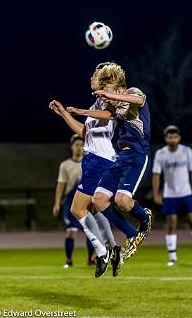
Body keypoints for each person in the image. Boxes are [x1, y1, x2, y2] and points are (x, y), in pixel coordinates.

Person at [49, 62, 143, 278]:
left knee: (76, 209)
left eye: (95, 74)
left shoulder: (107, 100)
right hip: (95, 159)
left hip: (100, 160)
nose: (91, 77)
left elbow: (110, 115)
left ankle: (102, 252)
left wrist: (81, 110)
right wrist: (64, 113)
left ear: (103, 79)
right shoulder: (97, 103)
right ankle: (113, 248)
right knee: (92, 208)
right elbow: (84, 131)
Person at [80, 73, 153, 260]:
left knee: (122, 201)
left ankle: (145, 218)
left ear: (118, 88)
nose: (105, 93)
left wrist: (112, 96)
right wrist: (81, 111)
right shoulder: (116, 107)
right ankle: (132, 235)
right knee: (99, 200)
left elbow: (138, 100)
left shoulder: (131, 93)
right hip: (120, 157)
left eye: (108, 89)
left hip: (138, 155)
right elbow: (105, 115)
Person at [152, 125, 192, 266]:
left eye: (175, 137)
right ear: (166, 138)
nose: (172, 139)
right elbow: (156, 175)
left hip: (186, 193)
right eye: (169, 137)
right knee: (171, 224)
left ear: (179, 137)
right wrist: (156, 194)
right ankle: (172, 258)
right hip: (170, 195)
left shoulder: (186, 151)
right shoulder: (161, 154)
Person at [53, 133, 95, 268]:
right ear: (71, 147)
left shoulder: (90, 163)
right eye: (76, 145)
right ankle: (69, 259)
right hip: (71, 201)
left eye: (82, 145)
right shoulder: (65, 165)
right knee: (71, 231)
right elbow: (61, 184)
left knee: (90, 231)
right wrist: (56, 203)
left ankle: (91, 258)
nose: (79, 147)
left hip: (87, 200)